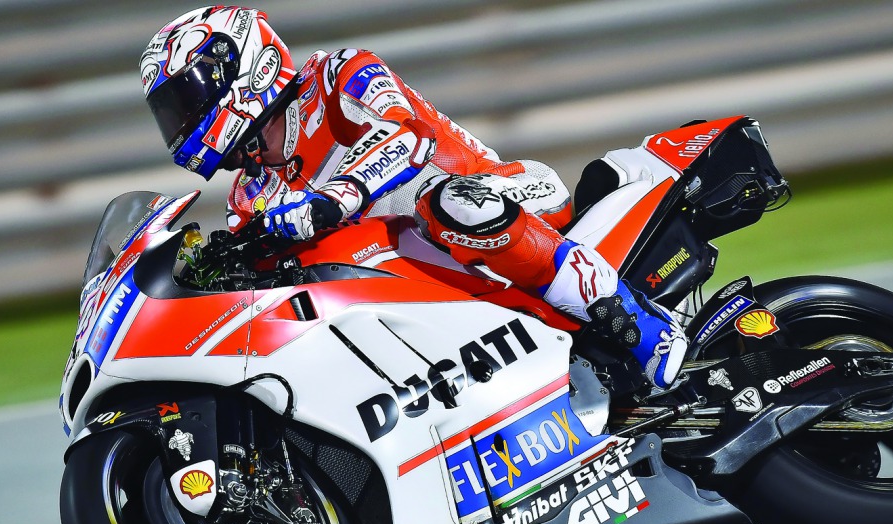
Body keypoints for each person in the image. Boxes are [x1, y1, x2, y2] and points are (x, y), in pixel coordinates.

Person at [140, 6, 685, 388]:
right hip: (420, 273)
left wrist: (335, 198)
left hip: (504, 196)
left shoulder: (336, 74)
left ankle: (641, 327)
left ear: (239, 65)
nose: (181, 123)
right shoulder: (248, 194)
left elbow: (403, 134)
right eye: (171, 114)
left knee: (447, 204)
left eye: (185, 100)